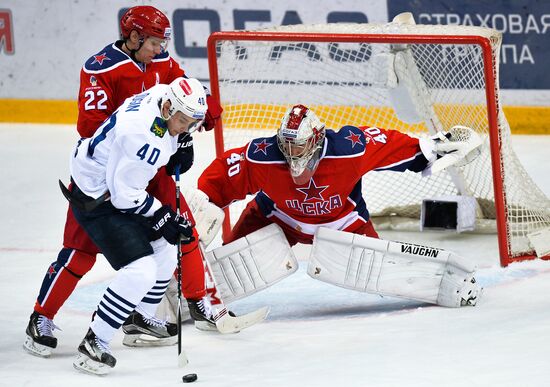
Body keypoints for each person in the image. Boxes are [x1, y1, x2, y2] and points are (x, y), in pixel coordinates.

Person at [24, 6, 223, 358]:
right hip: (105, 174)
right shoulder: (100, 68)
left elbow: (187, 92)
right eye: (154, 43)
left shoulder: (161, 60)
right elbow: (90, 128)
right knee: (80, 253)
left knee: (181, 230)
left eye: (163, 43)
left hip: (149, 166)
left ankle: (187, 304)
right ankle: (42, 316)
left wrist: (192, 127)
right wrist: (142, 136)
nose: (160, 51)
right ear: (133, 37)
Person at [195, 104, 482, 308]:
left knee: (389, 273)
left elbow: (396, 147)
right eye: (288, 145)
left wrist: (433, 148)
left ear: (318, 138)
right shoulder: (262, 156)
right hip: (277, 218)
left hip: (344, 223)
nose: (293, 153)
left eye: (300, 146)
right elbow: (223, 175)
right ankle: (189, 293)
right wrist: (204, 203)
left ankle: (452, 283)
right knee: (228, 264)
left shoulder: (350, 147)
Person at [68, 77, 206, 375]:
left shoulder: (161, 95)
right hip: (96, 197)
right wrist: (162, 215)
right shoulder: (143, 138)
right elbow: (124, 197)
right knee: (140, 269)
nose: (185, 126)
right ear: (168, 108)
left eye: (192, 123)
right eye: (183, 121)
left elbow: (166, 131)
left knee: (167, 250)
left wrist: (182, 138)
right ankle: (95, 342)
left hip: (113, 180)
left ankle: (139, 317)